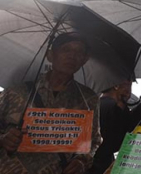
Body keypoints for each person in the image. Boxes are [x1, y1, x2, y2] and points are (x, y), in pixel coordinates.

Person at [0, 32, 102, 174]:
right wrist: (3, 139)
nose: (72, 56)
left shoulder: (88, 99)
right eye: (66, 49)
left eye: (79, 52)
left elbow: (94, 140)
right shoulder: (16, 92)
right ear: (50, 55)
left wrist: (82, 161)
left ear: (85, 59)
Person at [89, 80, 132, 174]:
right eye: (128, 84)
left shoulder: (94, 104)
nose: (129, 90)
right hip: (103, 164)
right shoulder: (114, 108)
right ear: (116, 86)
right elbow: (119, 140)